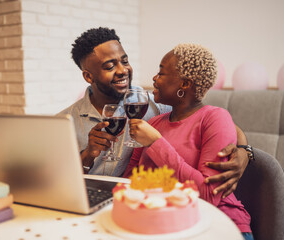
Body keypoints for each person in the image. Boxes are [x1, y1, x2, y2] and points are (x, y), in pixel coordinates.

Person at [59, 27, 250, 198]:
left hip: (136, 202)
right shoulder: (64, 122)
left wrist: (244, 152)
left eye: (124, 61)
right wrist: (87, 155)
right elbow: (58, 181)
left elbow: (221, 125)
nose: (122, 70)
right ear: (88, 76)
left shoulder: (154, 105)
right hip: (87, 201)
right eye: (110, 66)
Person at [123, 43, 253, 239]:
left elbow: (208, 195)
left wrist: (155, 143)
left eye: (161, 72)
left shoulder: (215, 118)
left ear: (184, 84)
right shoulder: (154, 123)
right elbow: (129, 181)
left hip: (218, 224)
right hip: (163, 225)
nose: (154, 78)